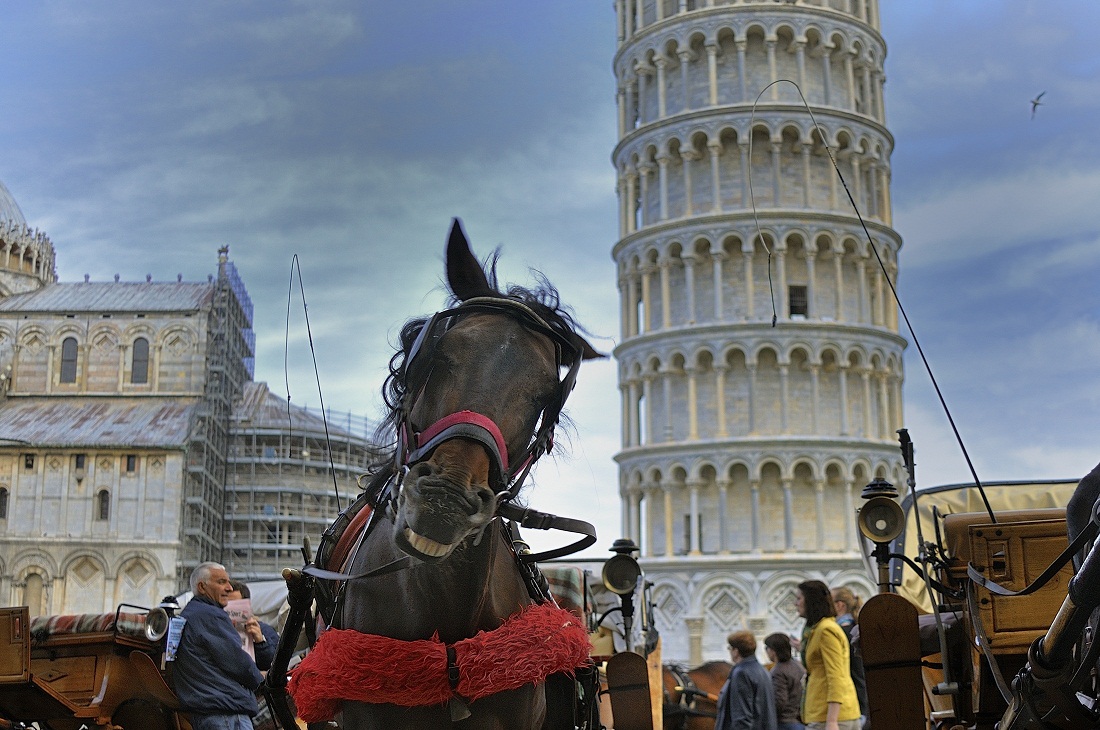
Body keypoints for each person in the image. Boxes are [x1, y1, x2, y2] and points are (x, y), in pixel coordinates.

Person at [171, 562, 265, 730]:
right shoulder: (210, 615)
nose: (229, 588)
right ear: (202, 587)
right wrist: (262, 680)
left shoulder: (191, 614)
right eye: (221, 582)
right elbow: (237, 662)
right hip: (226, 715)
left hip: (209, 714)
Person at [797, 580, 860, 730]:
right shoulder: (817, 630)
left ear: (811, 601)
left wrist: (832, 721)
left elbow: (836, 675)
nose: (795, 603)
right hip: (824, 714)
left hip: (831, 716)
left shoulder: (826, 630)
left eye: (799, 598)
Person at [715, 630, 778, 730]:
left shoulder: (741, 673)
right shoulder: (762, 670)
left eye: (730, 648)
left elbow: (741, 715)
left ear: (736, 651)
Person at [831, 587, 869, 727]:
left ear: (839, 605)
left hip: (853, 702)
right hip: (863, 699)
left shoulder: (842, 632)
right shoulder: (857, 628)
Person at [227, 579, 279, 672]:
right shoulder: (214, 628)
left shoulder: (265, 631)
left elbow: (275, 665)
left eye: (235, 605)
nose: (229, 610)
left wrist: (260, 642)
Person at [765, 633, 806, 730]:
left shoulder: (778, 671)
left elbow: (779, 701)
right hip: (799, 720)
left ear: (773, 651)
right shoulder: (797, 666)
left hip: (784, 723)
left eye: (767, 648)